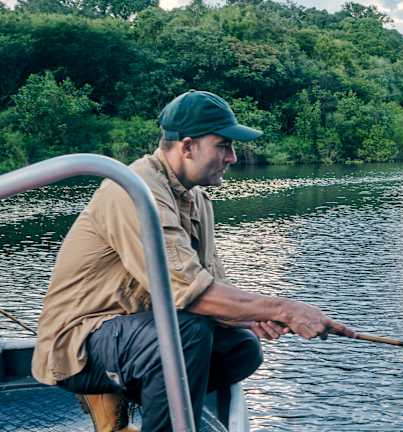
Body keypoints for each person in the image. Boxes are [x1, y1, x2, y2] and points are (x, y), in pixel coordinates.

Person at [31, 90, 354, 431]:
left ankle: (125, 396)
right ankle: (123, 399)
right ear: (187, 147)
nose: (232, 157)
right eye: (223, 146)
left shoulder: (197, 199)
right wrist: (285, 309)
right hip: (79, 344)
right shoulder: (134, 191)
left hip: (133, 333)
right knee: (187, 332)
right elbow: (190, 294)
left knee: (243, 347)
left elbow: (212, 283)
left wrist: (250, 316)